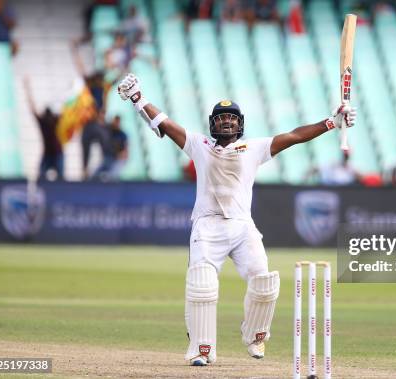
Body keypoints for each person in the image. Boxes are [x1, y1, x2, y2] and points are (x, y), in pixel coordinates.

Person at [116, 73, 356, 366]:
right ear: (212, 123)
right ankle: (201, 350)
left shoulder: (254, 148)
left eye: (231, 118)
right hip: (207, 225)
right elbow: (165, 124)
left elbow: (294, 136)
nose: (226, 122)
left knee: (265, 282)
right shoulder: (199, 145)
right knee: (202, 285)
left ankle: (255, 337)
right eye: (221, 118)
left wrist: (331, 122)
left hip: (242, 226)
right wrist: (138, 97)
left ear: (239, 123)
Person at [24, 78, 63, 180]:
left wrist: (27, 88)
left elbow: (33, 108)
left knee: (59, 179)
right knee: (43, 177)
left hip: (55, 153)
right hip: (51, 153)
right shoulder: (54, 121)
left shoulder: (46, 122)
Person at [92, 115, 128, 181]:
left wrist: (120, 155)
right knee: (94, 176)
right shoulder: (109, 131)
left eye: (117, 122)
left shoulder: (122, 135)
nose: (116, 123)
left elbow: (125, 152)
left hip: (118, 159)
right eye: (115, 121)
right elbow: (101, 123)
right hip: (109, 158)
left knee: (112, 176)